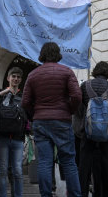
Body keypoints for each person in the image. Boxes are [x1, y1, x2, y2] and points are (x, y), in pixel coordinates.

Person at [21, 42, 82, 197]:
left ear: (42, 54)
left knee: (44, 163)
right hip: (62, 120)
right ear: (58, 54)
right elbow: (76, 96)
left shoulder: (33, 75)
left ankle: (46, 194)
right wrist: (69, 110)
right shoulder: (67, 72)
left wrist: (35, 114)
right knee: (69, 162)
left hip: (41, 121)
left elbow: (25, 102)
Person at [78, 61, 108, 197]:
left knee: (84, 165)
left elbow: (81, 107)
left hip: (88, 131)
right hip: (106, 133)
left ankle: (82, 193)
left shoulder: (85, 86)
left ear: (95, 71)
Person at [0, 67, 29, 197]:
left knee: (18, 172)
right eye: (13, 76)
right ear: (8, 78)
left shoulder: (23, 97)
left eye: (18, 77)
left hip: (17, 139)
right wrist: (5, 91)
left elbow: (29, 115)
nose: (16, 79)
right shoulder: (0, 95)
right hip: (1, 138)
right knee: (2, 171)